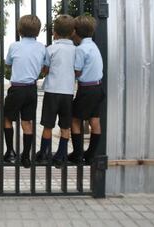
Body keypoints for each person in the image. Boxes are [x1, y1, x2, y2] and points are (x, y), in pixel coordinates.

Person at [3, 15, 47, 168]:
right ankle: (26, 156)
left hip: (17, 88)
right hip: (31, 89)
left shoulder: (14, 46)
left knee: (7, 119)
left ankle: (10, 152)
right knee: (27, 122)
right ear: (38, 31)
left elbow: (8, 63)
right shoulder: (42, 47)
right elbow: (45, 66)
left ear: (19, 30)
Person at [35, 14, 76, 168]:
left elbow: (45, 70)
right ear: (73, 32)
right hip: (68, 93)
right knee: (65, 126)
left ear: (54, 32)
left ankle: (44, 153)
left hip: (52, 91)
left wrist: (46, 69)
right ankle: (61, 156)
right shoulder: (76, 50)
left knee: (48, 125)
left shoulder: (51, 49)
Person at [67, 15, 105, 165]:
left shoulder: (81, 49)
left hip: (86, 90)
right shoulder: (94, 46)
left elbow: (77, 71)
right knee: (94, 121)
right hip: (98, 88)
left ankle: (77, 153)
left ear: (75, 31)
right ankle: (90, 154)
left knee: (74, 119)